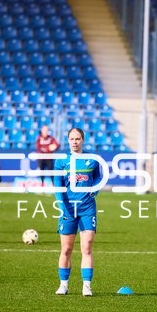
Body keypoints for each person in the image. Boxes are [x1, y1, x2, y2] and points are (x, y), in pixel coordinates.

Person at [54, 127, 102, 297]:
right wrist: (61, 206)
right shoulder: (61, 161)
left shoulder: (92, 159)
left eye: (78, 139)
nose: (75, 142)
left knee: (87, 247)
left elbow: (98, 177)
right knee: (66, 249)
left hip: (87, 207)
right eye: (72, 139)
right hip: (68, 208)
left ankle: (86, 286)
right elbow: (57, 186)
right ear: (68, 141)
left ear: (83, 140)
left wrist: (95, 189)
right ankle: (64, 285)